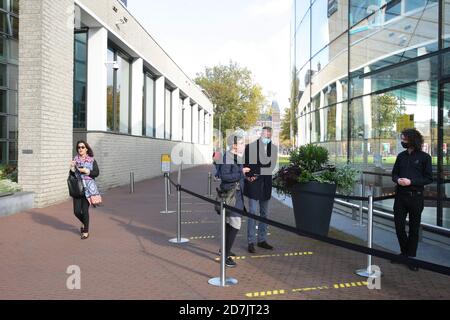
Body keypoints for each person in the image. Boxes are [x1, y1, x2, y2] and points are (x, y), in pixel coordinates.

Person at [391, 128, 432, 271]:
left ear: (413, 140)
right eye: (402, 139)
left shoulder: (425, 157)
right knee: (398, 226)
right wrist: (398, 180)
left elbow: (428, 178)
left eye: (405, 139)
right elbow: (394, 173)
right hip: (400, 197)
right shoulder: (400, 156)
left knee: (414, 229)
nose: (402, 142)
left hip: (416, 198)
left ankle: (410, 257)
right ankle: (405, 253)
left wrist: (411, 182)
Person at [217, 132, 250, 268]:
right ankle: (225, 256)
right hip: (231, 196)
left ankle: (224, 249)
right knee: (235, 224)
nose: (244, 145)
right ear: (234, 145)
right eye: (242, 143)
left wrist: (246, 177)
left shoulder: (235, 157)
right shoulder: (228, 157)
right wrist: (241, 173)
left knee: (229, 224)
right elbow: (224, 176)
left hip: (236, 195)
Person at [244, 127, 278, 253]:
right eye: (265, 135)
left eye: (269, 136)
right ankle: (251, 242)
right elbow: (245, 164)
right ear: (261, 134)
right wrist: (250, 175)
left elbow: (272, 166)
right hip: (253, 184)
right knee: (253, 212)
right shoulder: (250, 147)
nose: (267, 137)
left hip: (266, 185)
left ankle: (262, 240)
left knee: (264, 214)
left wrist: (257, 172)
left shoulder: (273, 148)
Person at [69, 141, 101, 240]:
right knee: (76, 211)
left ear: (86, 148)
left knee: (85, 210)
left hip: (88, 189)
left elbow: (96, 173)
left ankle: (85, 231)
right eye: (79, 147)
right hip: (78, 188)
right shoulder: (75, 160)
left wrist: (87, 171)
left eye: (82, 147)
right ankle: (84, 222)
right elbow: (72, 176)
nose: (80, 149)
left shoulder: (92, 160)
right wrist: (72, 169)